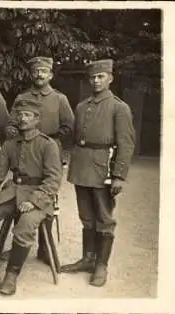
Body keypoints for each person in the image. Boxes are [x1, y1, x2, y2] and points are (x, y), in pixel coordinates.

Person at [0, 99, 63, 296]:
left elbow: (54, 179)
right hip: (12, 192)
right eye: (20, 115)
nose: (22, 118)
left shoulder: (48, 144)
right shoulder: (10, 144)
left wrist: (34, 201)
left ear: (37, 119)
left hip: (38, 195)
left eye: (28, 115)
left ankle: (11, 275)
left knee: (25, 225)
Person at [62, 59, 136, 287]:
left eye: (101, 76)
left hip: (103, 167)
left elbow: (126, 143)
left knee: (104, 218)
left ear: (110, 78)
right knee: (86, 216)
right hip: (82, 165)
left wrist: (118, 175)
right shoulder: (82, 106)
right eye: (93, 77)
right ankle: (88, 259)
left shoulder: (119, 107)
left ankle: (101, 266)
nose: (96, 81)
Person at [5, 56, 74, 265]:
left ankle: (44, 248)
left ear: (50, 74)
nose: (39, 75)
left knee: (47, 196)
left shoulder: (59, 99)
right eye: (36, 71)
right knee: (21, 191)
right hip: (24, 152)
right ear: (31, 74)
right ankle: (18, 243)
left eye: (43, 71)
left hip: (49, 151)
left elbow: (69, 125)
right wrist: (15, 132)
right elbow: (10, 122)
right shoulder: (22, 98)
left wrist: (47, 140)